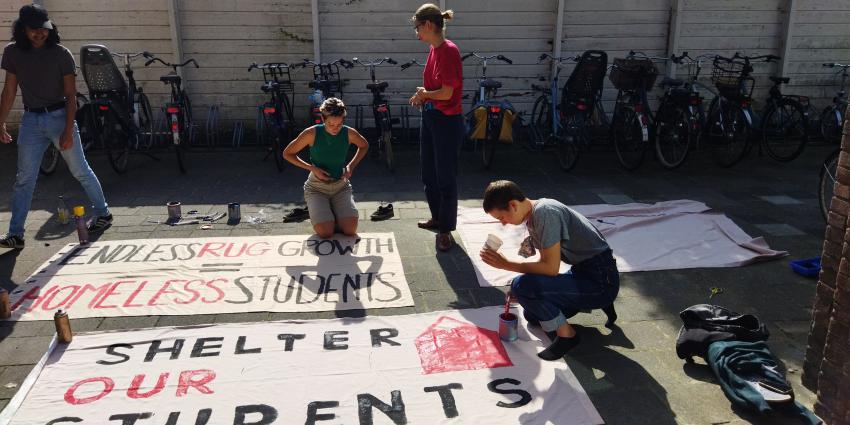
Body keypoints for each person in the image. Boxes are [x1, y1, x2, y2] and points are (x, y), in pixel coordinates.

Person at [0, 3, 112, 250]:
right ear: (22, 30)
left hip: (60, 117)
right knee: (24, 179)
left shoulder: (61, 54)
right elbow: (9, 90)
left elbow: (71, 95)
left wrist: (68, 130)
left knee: (80, 170)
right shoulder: (12, 53)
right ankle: (16, 234)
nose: (40, 33)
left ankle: (103, 213)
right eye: (34, 29)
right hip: (31, 120)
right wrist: (1, 122)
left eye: (44, 28)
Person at [479, 180, 619, 361]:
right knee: (532, 315)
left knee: (523, 286)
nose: (504, 223)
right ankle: (595, 302)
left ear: (513, 205)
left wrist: (507, 266)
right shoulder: (534, 215)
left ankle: (568, 336)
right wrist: (522, 290)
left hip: (600, 281)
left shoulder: (545, 213)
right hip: (584, 273)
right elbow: (544, 263)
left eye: (501, 218)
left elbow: (551, 268)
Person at [409, 3, 463, 252]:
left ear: (429, 25)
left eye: (417, 27)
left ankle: (446, 230)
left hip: (446, 122)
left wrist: (425, 95)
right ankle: (437, 218)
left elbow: (447, 93)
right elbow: (435, 90)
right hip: (431, 117)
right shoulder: (434, 49)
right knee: (428, 174)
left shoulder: (448, 51)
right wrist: (423, 95)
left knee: (445, 177)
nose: (416, 33)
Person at [283, 97, 368, 239]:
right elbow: (287, 153)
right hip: (316, 188)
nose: (335, 128)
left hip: (341, 186)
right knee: (326, 233)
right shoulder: (311, 133)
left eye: (339, 124)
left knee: (350, 230)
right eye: (331, 124)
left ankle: (329, 211)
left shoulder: (348, 133)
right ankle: (321, 211)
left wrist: (350, 166)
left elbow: (364, 145)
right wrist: (312, 168)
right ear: (323, 119)